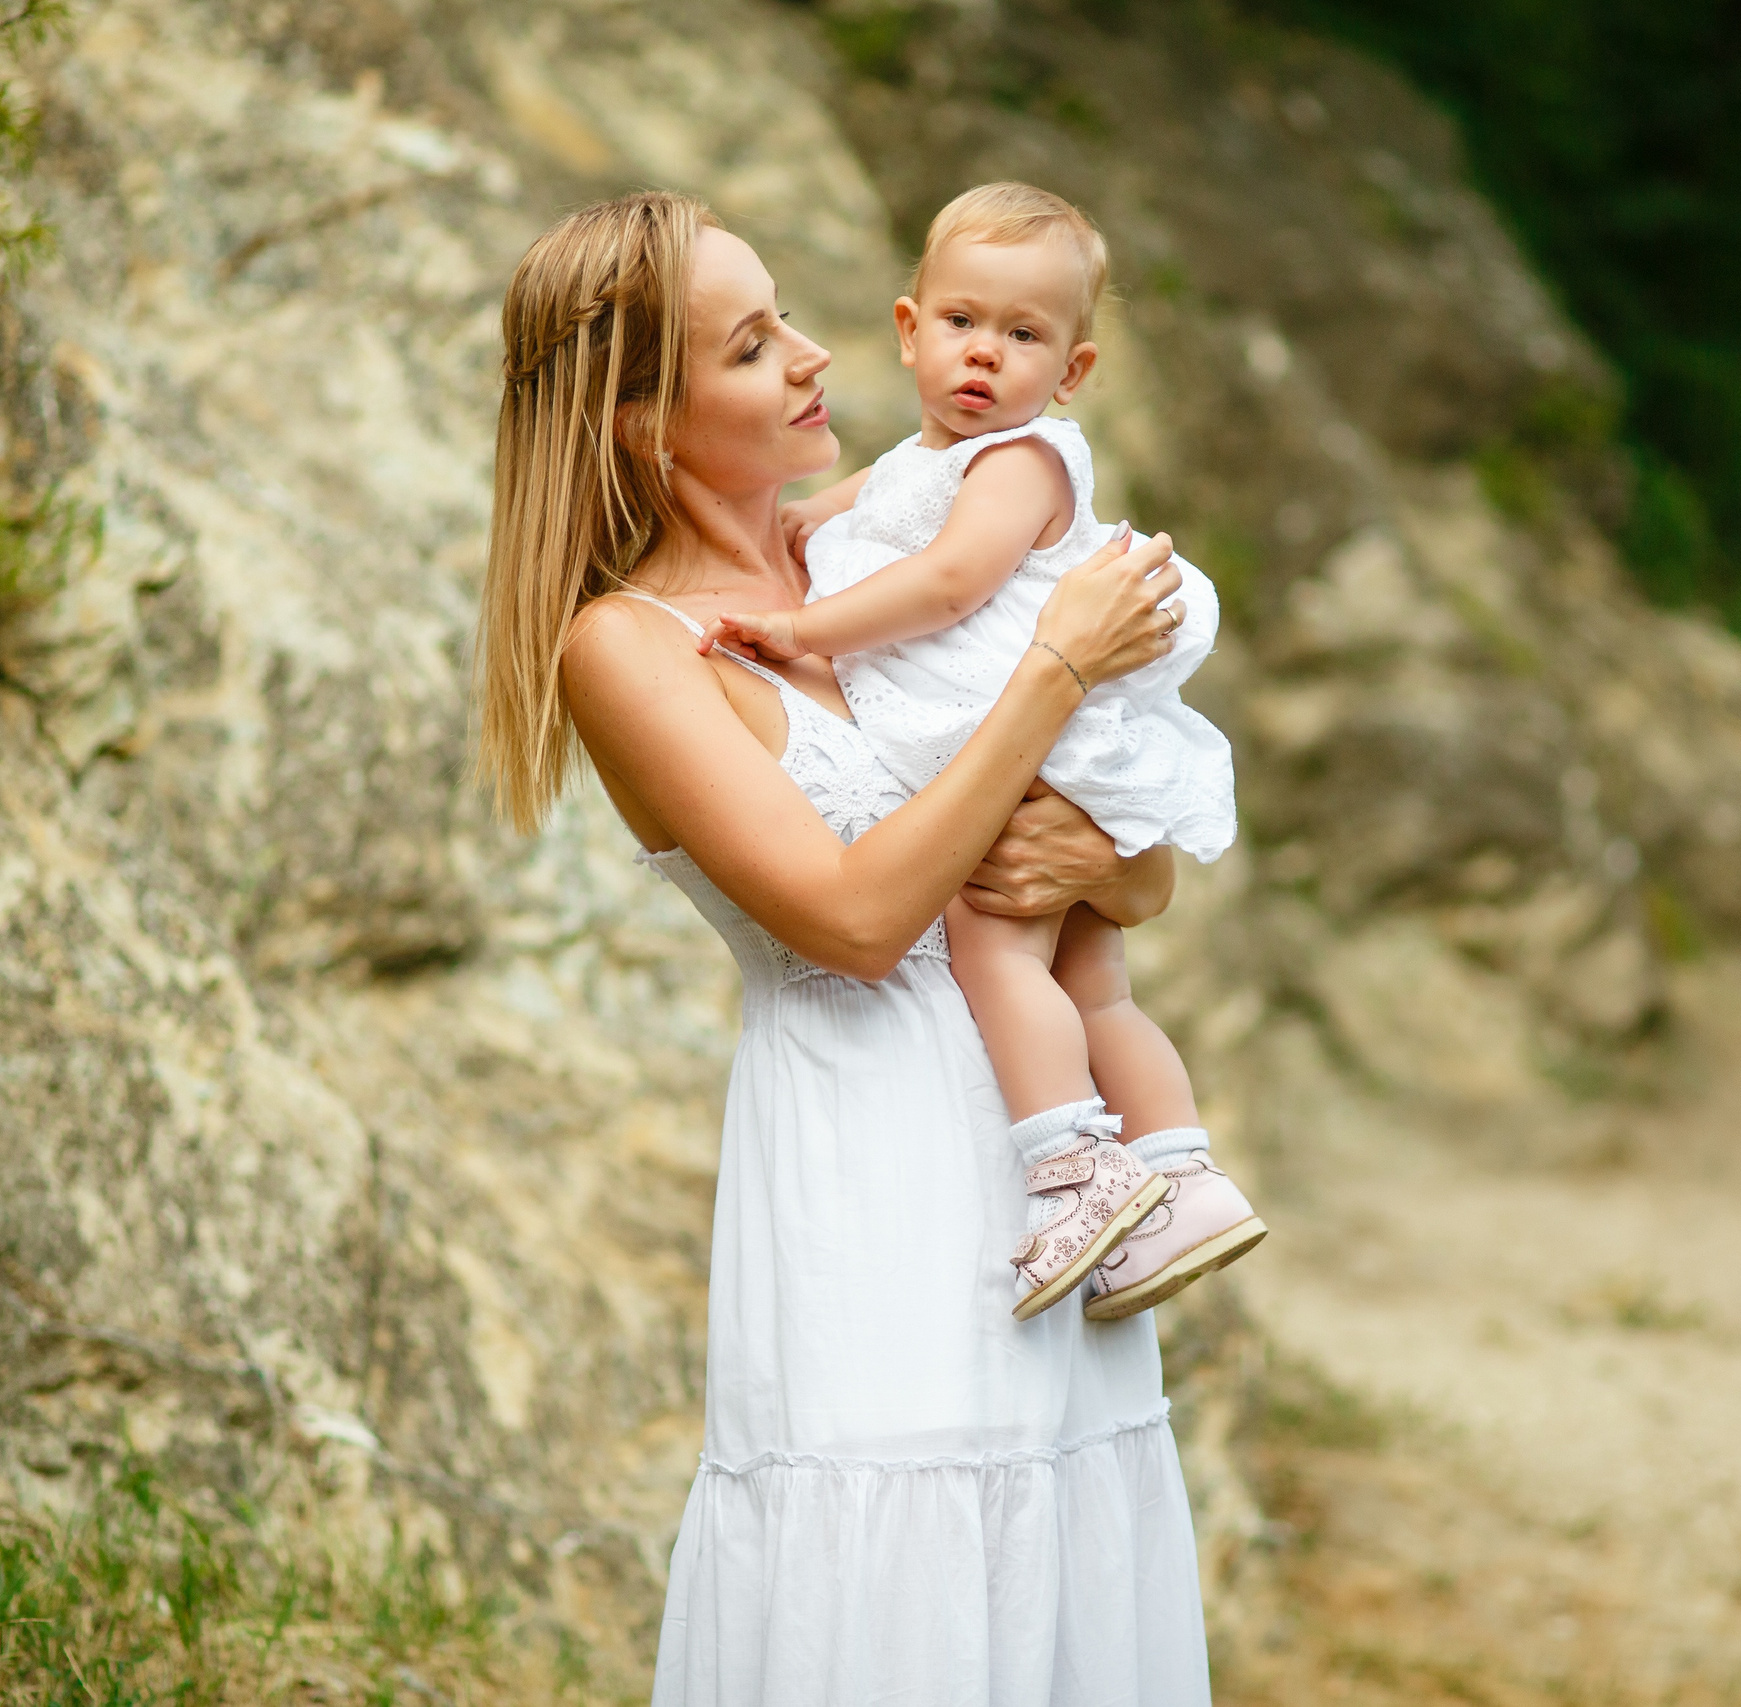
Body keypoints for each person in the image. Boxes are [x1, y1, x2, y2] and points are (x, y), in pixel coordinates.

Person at [471, 190, 1211, 1704]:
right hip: (869, 1166)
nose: (815, 356)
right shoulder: (633, 645)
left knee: (1059, 1555)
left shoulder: (882, 558)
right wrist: (1058, 656)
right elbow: (862, 918)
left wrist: (1125, 872)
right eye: (751, 347)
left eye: (788, 316)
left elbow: (1109, 860)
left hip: (1045, 1150)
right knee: (897, 1585)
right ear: (640, 424)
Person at [700, 183, 1265, 1325]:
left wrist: (806, 629)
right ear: (909, 330)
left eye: (1024, 337)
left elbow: (949, 581)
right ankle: (1186, 1180)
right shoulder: (925, 462)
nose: (985, 357)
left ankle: (1078, 1168)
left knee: (992, 946)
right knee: (1094, 984)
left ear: (1072, 374)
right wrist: (797, 534)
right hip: (1042, 749)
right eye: (962, 323)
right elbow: (841, 517)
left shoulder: (1021, 464)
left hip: (1035, 752)